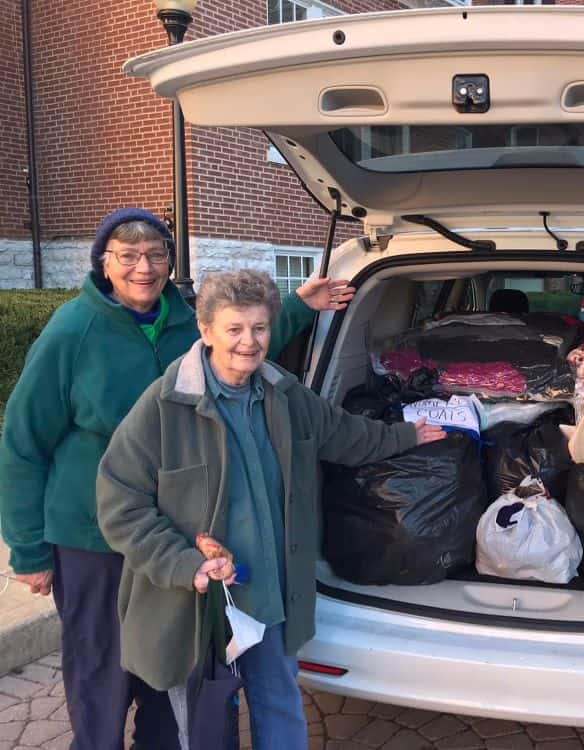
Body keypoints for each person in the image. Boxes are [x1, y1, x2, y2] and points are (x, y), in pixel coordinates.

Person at [0, 208, 354, 750]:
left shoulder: (187, 319)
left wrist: (299, 306)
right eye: (128, 255)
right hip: (92, 539)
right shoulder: (72, 332)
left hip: (179, 536)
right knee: (102, 673)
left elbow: (239, 338)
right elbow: (23, 443)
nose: (144, 267)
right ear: (103, 262)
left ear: (170, 263)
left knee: (174, 670)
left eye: (157, 254)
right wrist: (28, 551)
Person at [95, 270, 446, 749]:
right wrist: (182, 563)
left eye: (259, 328)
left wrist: (407, 435)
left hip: (271, 591)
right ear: (206, 330)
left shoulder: (284, 393)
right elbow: (119, 503)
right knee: (196, 723)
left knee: (279, 706)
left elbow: (344, 434)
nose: (249, 342)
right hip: (198, 599)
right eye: (234, 329)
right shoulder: (163, 405)